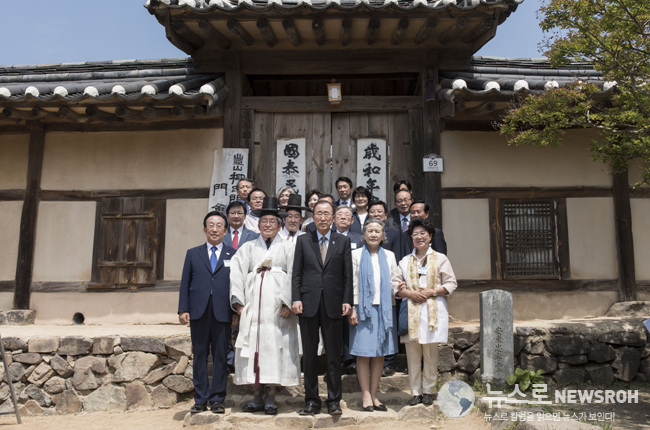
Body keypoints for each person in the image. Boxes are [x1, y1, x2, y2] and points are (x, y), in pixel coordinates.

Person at [229, 197, 301, 415]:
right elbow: (237, 274)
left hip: (278, 310)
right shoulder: (248, 248)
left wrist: (289, 302)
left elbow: (295, 276)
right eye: (264, 221)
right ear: (258, 225)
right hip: (254, 309)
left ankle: (271, 395)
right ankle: (256, 395)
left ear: (279, 225)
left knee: (275, 350)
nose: (268, 224)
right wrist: (239, 303)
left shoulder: (289, 247)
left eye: (272, 221)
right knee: (254, 350)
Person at [292, 200, 353, 416]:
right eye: (319, 213)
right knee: (309, 355)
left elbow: (347, 275)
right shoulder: (303, 241)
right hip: (308, 304)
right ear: (313, 216)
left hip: (334, 304)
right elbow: (296, 273)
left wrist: (348, 300)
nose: (323, 217)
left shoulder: (342, 242)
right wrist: (295, 298)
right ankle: (312, 401)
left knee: (333, 355)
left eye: (327, 213)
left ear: (334, 217)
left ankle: (334, 400)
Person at [178, 211, 235, 414]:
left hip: (222, 312)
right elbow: (185, 283)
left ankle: (218, 399)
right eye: (211, 225)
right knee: (200, 355)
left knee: (221, 356)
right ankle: (200, 399)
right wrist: (183, 309)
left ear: (225, 231)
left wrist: (236, 310)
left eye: (219, 225)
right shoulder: (193, 253)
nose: (214, 229)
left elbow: (236, 285)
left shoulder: (232, 254)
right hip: (199, 312)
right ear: (204, 229)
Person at [395, 218, 457, 407]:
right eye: (415, 234)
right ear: (411, 238)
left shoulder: (440, 259)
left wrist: (433, 291)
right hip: (412, 311)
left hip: (432, 312)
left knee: (430, 353)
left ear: (430, 236)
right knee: (413, 354)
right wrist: (408, 292)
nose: (419, 237)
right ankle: (415, 392)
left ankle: (428, 390)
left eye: (423, 233)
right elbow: (394, 285)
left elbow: (451, 283)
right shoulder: (405, 261)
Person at [348, 219, 401, 412]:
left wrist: (402, 288)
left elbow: (394, 281)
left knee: (379, 354)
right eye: (370, 231)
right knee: (363, 354)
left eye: (377, 231)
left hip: (385, 310)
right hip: (362, 310)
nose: (373, 234)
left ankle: (375, 394)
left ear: (382, 235)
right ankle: (365, 395)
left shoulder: (389, 255)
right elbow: (351, 283)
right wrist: (352, 308)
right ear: (364, 234)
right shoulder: (354, 255)